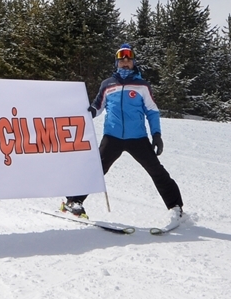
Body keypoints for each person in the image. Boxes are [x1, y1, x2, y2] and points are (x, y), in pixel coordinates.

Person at [62, 43, 184, 223]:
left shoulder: (142, 86)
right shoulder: (107, 85)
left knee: (156, 171)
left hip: (138, 138)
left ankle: (175, 207)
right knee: (96, 169)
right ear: (116, 63)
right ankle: (74, 201)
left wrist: (156, 134)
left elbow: (152, 111)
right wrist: (88, 113)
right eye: (121, 61)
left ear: (133, 63)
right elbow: (98, 106)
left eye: (128, 60)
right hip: (113, 137)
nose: (125, 63)